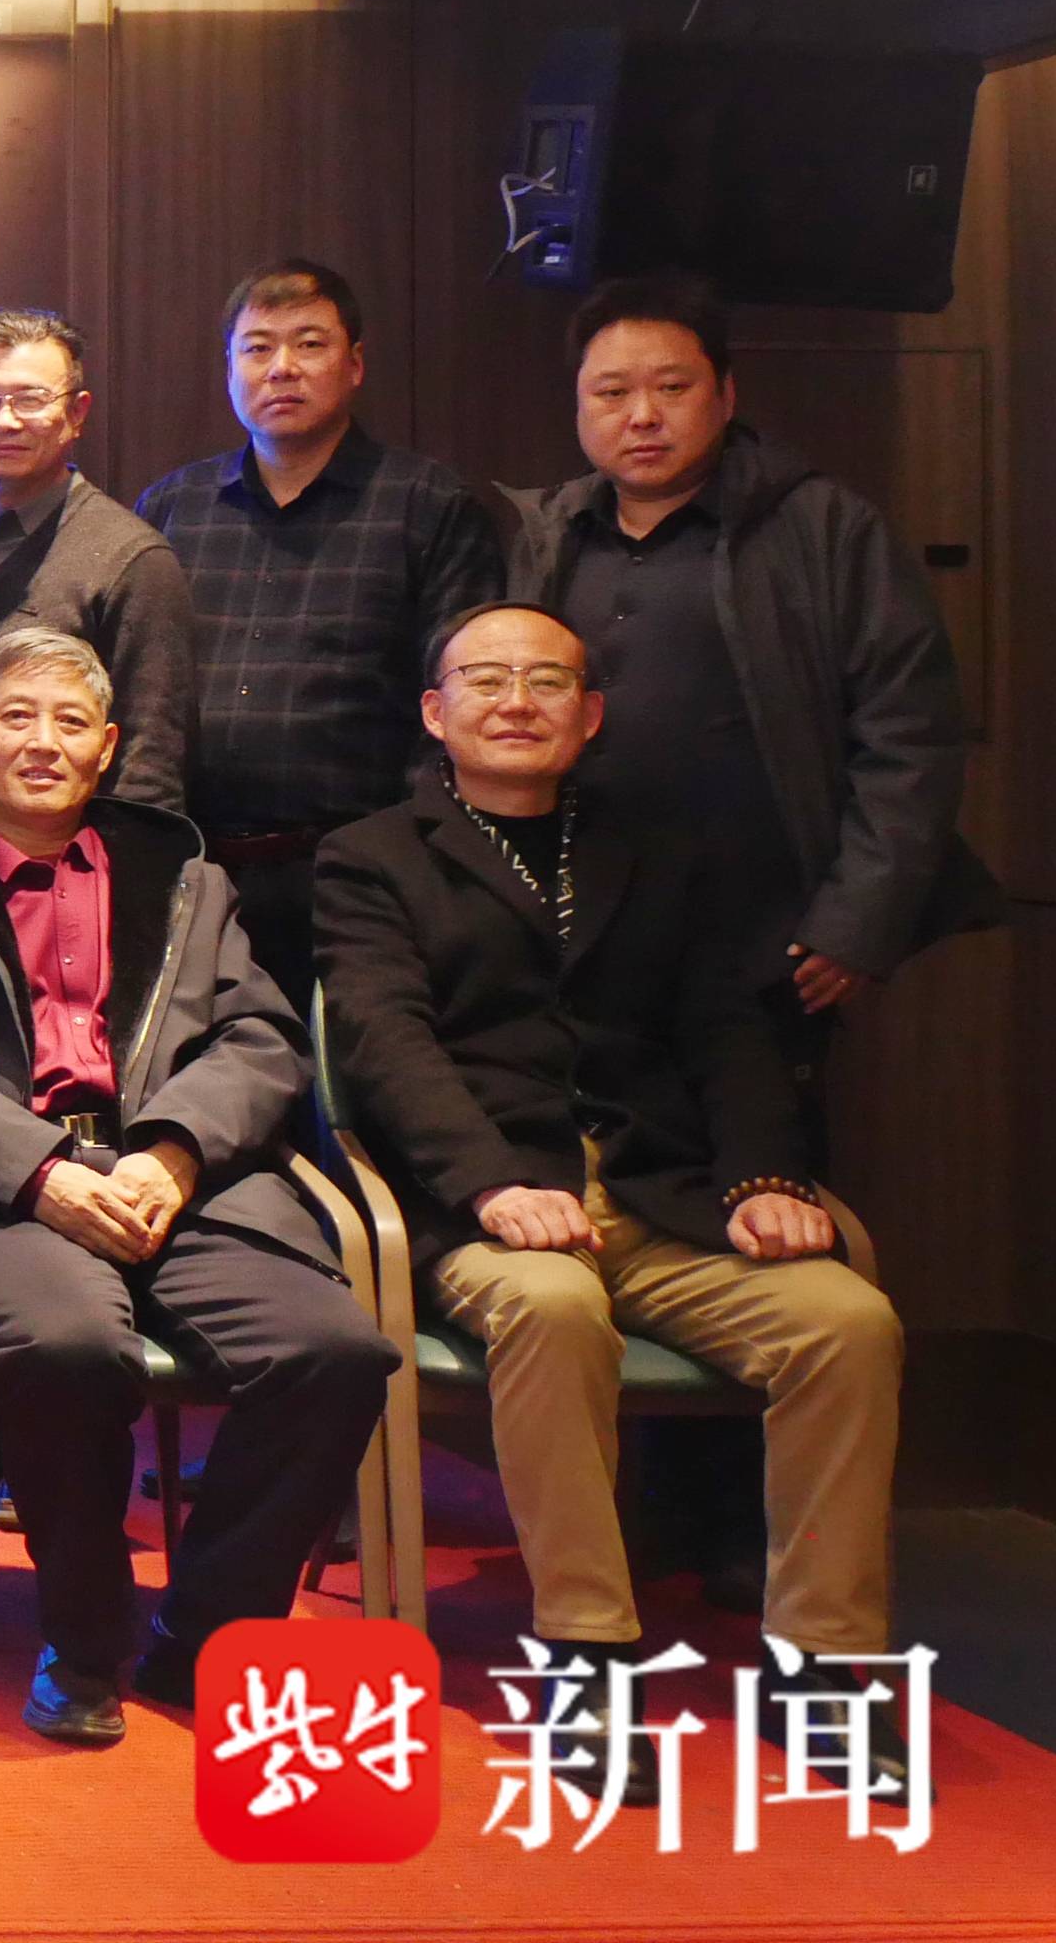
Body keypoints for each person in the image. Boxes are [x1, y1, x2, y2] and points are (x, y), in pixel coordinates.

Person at [318, 603, 907, 1798]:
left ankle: (823, 1660)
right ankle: (587, 1656)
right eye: (486, 679)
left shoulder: (660, 851)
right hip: (484, 1199)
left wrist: (764, 1177)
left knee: (848, 1323)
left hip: (661, 1195)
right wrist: (490, 1181)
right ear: (435, 712)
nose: (516, 701)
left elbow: (728, 1033)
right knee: (553, 1309)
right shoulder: (373, 857)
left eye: (547, 682)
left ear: (589, 716)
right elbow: (386, 1047)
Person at [0, 625, 393, 1745]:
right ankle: (84, 1640)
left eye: (71, 722)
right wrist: (40, 1171)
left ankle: (207, 1633)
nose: (43, 742)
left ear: (109, 746)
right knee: (70, 1346)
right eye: (17, 717)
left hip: (181, 1178)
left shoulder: (185, 879)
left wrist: (175, 1151)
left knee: (335, 1353)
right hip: (3, 1189)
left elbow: (263, 1040)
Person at [504, 272, 996, 1049]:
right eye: (611, 393)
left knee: (762, 1124)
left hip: (765, 942)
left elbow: (911, 737)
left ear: (726, 395)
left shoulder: (822, 528)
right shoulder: (549, 534)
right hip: (585, 933)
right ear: (579, 406)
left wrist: (858, 920)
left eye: (673, 387)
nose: (642, 415)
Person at [135, 257, 504, 1001]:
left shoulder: (429, 506)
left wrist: (413, 860)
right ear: (230, 369)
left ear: (354, 364)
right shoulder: (173, 507)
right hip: (193, 868)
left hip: (358, 875)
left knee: (353, 1064)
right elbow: (139, 685)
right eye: (257, 348)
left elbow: (459, 701)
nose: (282, 368)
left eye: (309, 344)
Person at [0, 309, 195, 811]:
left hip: (64, 845)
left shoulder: (131, 559)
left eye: (31, 399)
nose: (3, 420)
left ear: (77, 413)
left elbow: (149, 764)